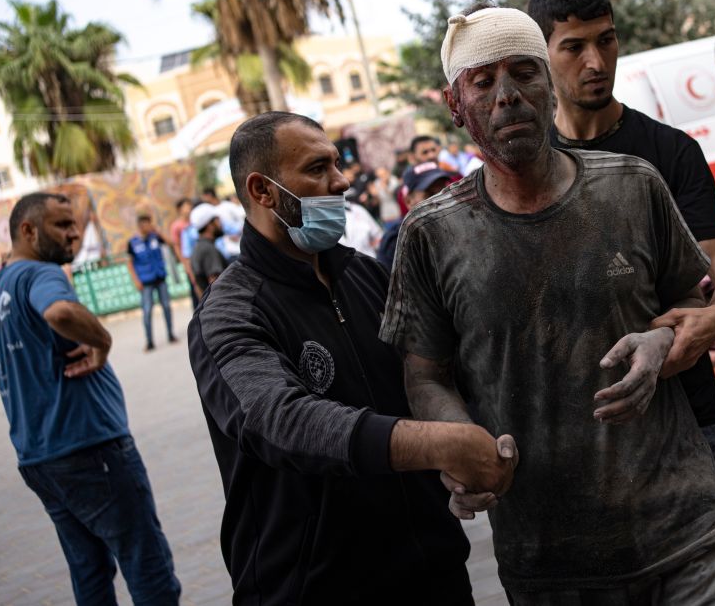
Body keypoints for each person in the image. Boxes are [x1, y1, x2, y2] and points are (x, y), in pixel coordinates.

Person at [382, 6, 715, 604]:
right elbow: (424, 375)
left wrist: (661, 343)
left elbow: (687, 300)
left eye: (524, 72)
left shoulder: (634, 184)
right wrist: (460, 443)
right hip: (551, 560)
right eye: (483, 81)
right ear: (455, 107)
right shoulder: (430, 234)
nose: (507, 96)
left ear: (550, 87)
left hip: (682, 530)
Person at [187, 111, 514, 603]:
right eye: (317, 169)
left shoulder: (368, 276)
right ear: (263, 191)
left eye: (336, 164)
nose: (341, 181)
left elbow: (434, 377)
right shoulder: (228, 313)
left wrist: (465, 447)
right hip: (317, 588)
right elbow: (278, 419)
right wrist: (440, 445)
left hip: (433, 571)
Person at [528, 0, 715, 605]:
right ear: (542, 53)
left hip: (687, 423)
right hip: (582, 442)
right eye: (574, 47)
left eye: (607, 41)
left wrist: (711, 319)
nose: (596, 61)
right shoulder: (522, 169)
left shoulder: (667, 153)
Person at [0, 192, 180, 604]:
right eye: (62, 225)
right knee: (148, 564)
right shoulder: (41, 274)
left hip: (40, 457)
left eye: (75, 225)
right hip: (90, 448)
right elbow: (59, 313)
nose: (74, 233)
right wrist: (103, 341)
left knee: (89, 572)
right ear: (28, 231)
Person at [375, 161, 453, 272]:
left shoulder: (461, 223)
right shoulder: (396, 242)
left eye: (444, 191)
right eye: (430, 195)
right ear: (408, 201)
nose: (440, 200)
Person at [126, 214, 178, 352]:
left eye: (149, 223)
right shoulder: (133, 242)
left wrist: (158, 231)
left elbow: (171, 243)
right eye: (145, 224)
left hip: (160, 277)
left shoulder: (155, 237)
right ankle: (149, 341)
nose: (148, 226)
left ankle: (171, 334)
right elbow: (130, 263)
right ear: (140, 226)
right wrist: (136, 281)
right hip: (146, 281)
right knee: (147, 310)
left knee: (166, 306)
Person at [169, 198, 202, 309]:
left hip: (201, 257)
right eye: (186, 206)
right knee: (195, 288)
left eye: (189, 206)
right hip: (189, 260)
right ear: (179, 209)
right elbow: (177, 246)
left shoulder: (194, 221)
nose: (189, 208)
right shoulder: (176, 226)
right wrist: (185, 263)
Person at [188, 203, 227, 294]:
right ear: (210, 225)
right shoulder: (208, 250)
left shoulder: (198, 248)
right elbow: (216, 286)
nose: (220, 223)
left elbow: (197, 286)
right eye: (217, 220)